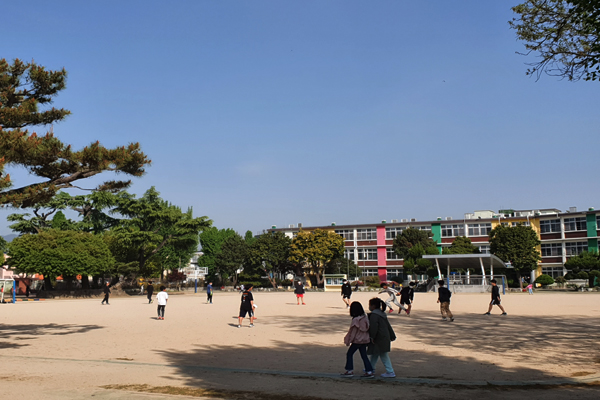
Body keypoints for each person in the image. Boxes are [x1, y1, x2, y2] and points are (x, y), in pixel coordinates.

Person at [340, 301, 374, 378]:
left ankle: (349, 370)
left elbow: (353, 332)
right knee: (364, 355)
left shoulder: (356, 320)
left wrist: (349, 340)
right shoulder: (365, 317)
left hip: (357, 340)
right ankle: (369, 371)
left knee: (349, 354)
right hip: (364, 339)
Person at [367, 298, 396, 378]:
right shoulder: (382, 314)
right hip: (384, 336)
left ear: (373, 306)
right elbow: (388, 325)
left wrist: (372, 336)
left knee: (383, 354)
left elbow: (374, 327)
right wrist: (392, 335)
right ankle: (370, 368)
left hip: (379, 337)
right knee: (375, 353)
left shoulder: (374, 315)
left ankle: (390, 371)